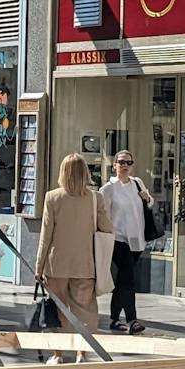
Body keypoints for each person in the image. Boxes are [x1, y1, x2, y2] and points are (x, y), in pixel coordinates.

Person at [35, 153, 110, 353]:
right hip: (85, 265)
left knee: (58, 311)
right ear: (85, 173)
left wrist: (39, 266)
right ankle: (81, 352)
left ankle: (57, 354)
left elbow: (46, 235)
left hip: (56, 265)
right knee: (84, 312)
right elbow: (107, 229)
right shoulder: (96, 198)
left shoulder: (53, 197)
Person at [102, 150, 153, 334]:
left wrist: (148, 199)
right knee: (129, 279)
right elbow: (102, 214)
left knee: (123, 280)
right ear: (114, 164)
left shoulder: (137, 183)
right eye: (121, 162)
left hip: (137, 239)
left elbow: (149, 202)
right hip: (118, 239)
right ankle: (132, 320)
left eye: (128, 163)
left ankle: (114, 319)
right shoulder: (108, 188)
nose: (125, 166)